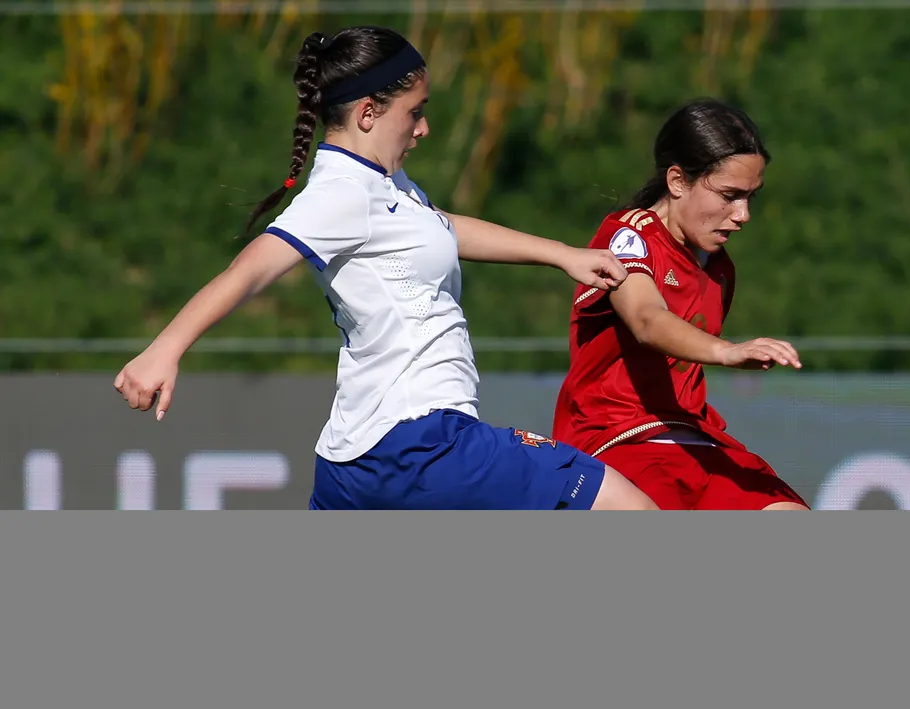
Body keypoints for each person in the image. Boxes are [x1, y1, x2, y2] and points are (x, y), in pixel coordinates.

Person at [112, 26, 658, 511]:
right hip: (422, 444)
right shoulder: (343, 193)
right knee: (627, 510)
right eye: (414, 112)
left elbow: (440, 227)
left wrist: (561, 254)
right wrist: (166, 347)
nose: (423, 129)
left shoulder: (381, 183)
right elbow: (252, 268)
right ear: (369, 113)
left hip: (355, 463)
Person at [551, 98, 809, 510]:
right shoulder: (627, 236)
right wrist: (727, 351)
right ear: (677, 181)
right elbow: (647, 320)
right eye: (729, 195)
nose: (743, 215)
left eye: (750, 197)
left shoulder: (721, 268)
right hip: (619, 439)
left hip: (696, 438)